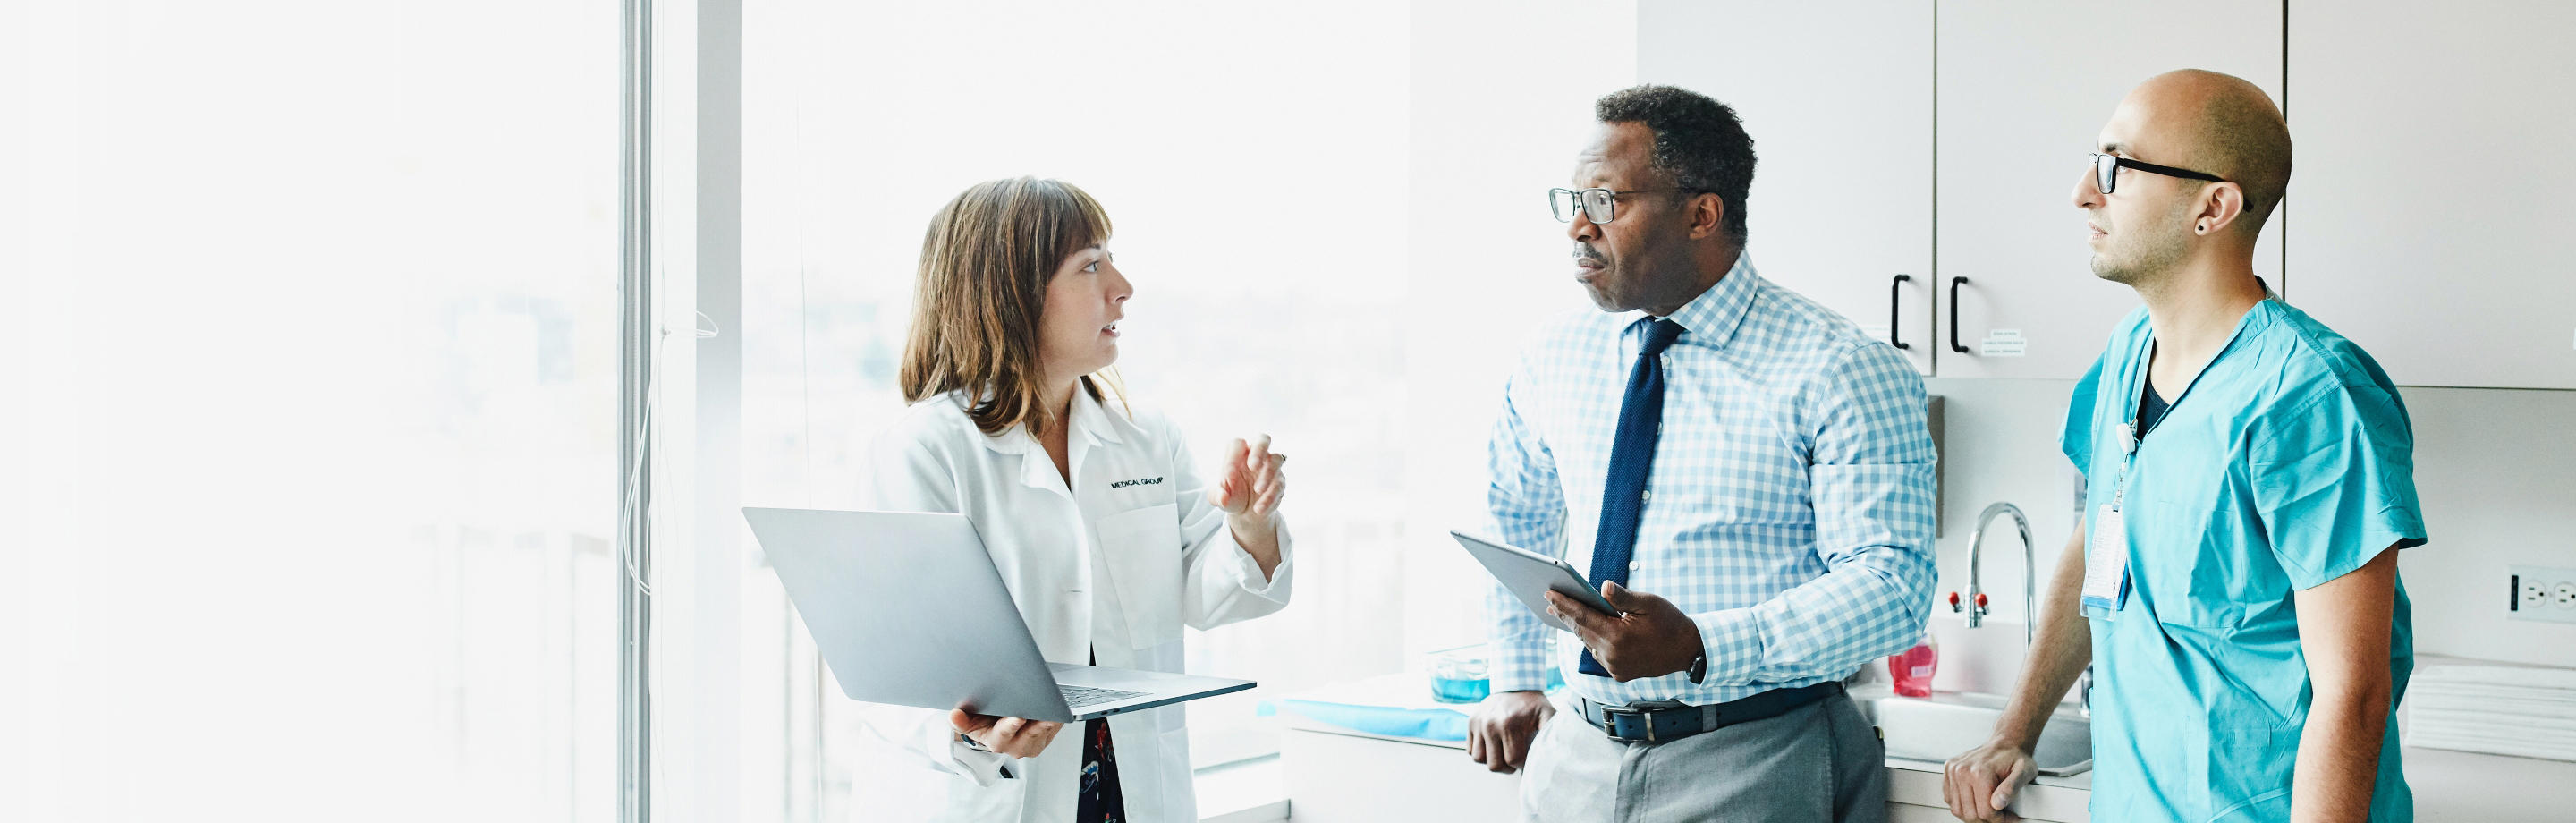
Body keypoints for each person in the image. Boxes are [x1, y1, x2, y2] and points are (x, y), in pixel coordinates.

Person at [1940, 70, 2427, 823]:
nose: (2082, 191)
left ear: (2213, 207)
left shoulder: (2313, 397)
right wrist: (2015, 730)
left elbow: (2353, 696)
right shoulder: (2128, 354)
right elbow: (2099, 542)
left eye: (2116, 167)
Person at [1465, 84, 1938, 823]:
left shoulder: (1841, 368)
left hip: (1757, 758)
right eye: (1571, 201)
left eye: (1606, 202)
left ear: (1701, 214)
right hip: (1575, 758)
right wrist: (1515, 679)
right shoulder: (1552, 355)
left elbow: (1892, 586)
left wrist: (1700, 645)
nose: (1577, 229)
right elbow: (1514, 514)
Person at [859, 176, 1294, 823]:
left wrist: (1251, 526)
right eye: (1091, 266)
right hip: (999, 794)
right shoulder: (924, 450)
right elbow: (891, 668)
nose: (1122, 286)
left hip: (1136, 793)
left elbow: (1208, 594)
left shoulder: (1145, 437)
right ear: (1010, 294)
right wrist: (969, 732)